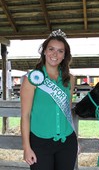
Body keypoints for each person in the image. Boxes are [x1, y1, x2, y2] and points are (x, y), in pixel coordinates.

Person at [20, 29, 78, 170]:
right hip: (40, 142)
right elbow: (25, 115)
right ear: (44, 51)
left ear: (65, 55)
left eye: (60, 51)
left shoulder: (69, 79)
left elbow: (67, 112)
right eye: (51, 49)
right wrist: (26, 148)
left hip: (67, 142)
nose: (55, 54)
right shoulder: (32, 79)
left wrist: (75, 141)